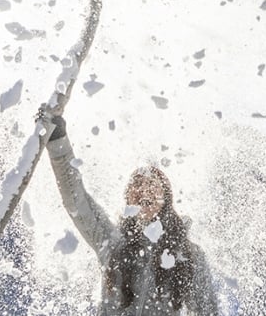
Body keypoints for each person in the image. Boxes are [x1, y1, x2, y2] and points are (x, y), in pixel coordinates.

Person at [43, 114, 220, 315]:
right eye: (137, 185)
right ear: (128, 200)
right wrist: (58, 142)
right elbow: (77, 201)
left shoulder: (189, 255)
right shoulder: (112, 242)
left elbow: (209, 312)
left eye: (152, 185)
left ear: (166, 199)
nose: (144, 190)